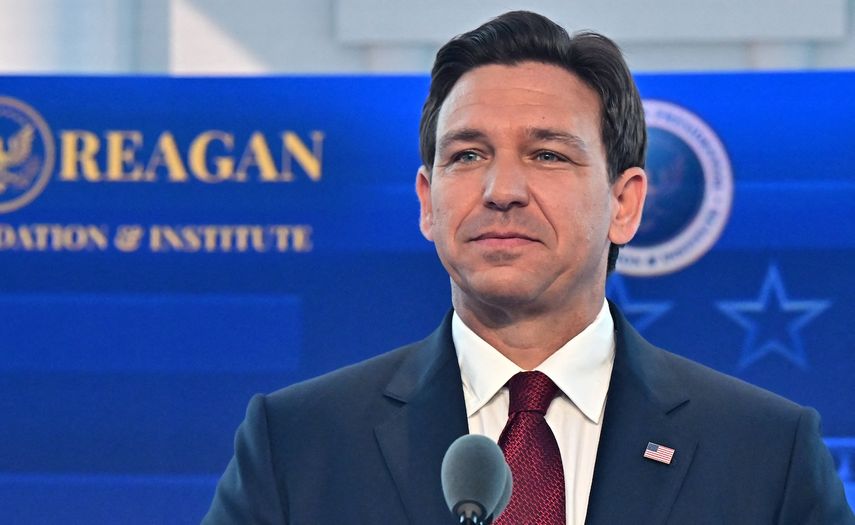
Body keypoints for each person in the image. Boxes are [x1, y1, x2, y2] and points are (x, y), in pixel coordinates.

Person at [203, 11, 854, 524]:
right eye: (467, 155)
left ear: (624, 203)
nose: (501, 188)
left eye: (546, 155)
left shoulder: (765, 453)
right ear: (427, 203)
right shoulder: (298, 444)